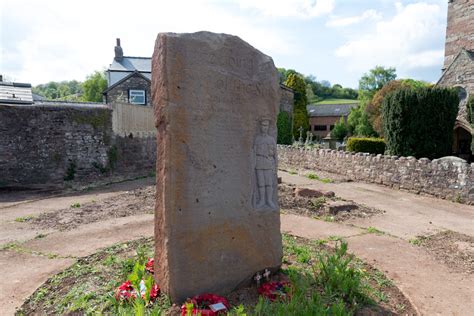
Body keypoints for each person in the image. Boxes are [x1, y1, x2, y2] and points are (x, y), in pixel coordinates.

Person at [254, 118, 277, 209]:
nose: (264, 127)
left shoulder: (271, 139)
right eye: (263, 125)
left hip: (268, 162)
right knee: (261, 183)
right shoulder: (257, 139)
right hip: (259, 162)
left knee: (269, 183)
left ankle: (269, 200)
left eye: (266, 125)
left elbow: (275, 155)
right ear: (260, 126)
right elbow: (253, 152)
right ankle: (262, 200)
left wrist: (276, 166)